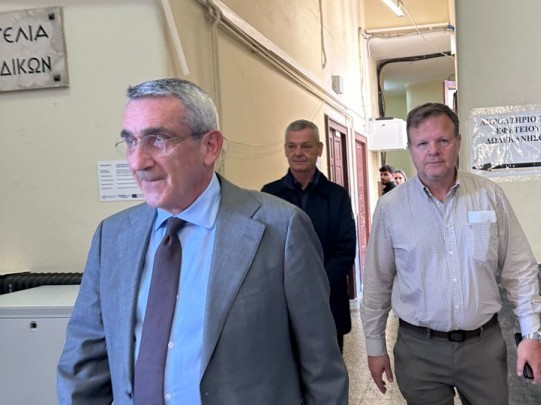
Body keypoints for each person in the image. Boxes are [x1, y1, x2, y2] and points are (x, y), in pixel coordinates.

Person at [57, 79, 348, 405]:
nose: (138, 162)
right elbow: (83, 366)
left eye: (158, 140)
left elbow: (321, 370)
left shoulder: (281, 230)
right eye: (130, 142)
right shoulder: (112, 238)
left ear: (210, 146)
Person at [360, 102, 541, 404]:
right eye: (422, 143)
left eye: (442, 140)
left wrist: (532, 336)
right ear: (410, 149)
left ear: (458, 141)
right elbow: (377, 282)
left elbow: (520, 269)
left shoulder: (489, 196)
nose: (433, 150)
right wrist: (374, 346)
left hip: (483, 349)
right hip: (419, 352)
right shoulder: (390, 209)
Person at [261, 119, 357, 353]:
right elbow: (265, 248)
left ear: (319, 149)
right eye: (292, 146)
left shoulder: (337, 196)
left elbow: (346, 250)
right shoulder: (269, 194)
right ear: (285, 150)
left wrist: (315, 284)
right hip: (284, 304)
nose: (298, 153)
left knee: (328, 370)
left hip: (328, 301)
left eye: (305, 146)